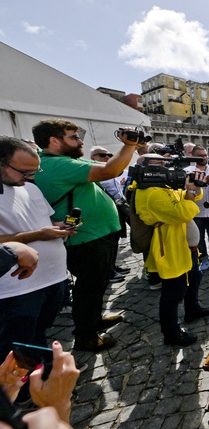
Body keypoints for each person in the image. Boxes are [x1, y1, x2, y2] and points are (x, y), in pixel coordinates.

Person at [32, 120, 137, 352]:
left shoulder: (62, 162)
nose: (80, 141)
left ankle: (94, 320)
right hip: (88, 239)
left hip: (95, 236)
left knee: (95, 285)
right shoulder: (58, 165)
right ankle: (86, 337)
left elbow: (111, 165)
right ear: (54, 140)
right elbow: (110, 170)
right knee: (88, 288)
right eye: (74, 136)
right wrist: (130, 145)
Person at [0, 137, 74, 367]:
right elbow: (33, 232)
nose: (30, 177)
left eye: (34, 171)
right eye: (24, 171)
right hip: (17, 289)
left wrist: (57, 227)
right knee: (15, 346)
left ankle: (42, 376)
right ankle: (21, 395)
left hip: (53, 278)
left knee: (38, 333)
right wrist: (36, 235)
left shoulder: (29, 186)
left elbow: (42, 220)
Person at [134, 160, 209, 346]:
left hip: (184, 245)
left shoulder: (164, 187)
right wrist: (191, 193)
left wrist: (195, 187)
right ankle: (171, 333)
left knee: (194, 277)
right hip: (169, 247)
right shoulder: (151, 193)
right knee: (173, 292)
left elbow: (187, 196)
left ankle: (192, 309)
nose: (164, 168)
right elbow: (182, 213)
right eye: (158, 164)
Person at [89, 146, 129, 283]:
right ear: (93, 157)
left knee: (114, 241)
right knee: (106, 245)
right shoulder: (94, 171)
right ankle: (108, 272)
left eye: (109, 155)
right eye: (102, 155)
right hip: (101, 214)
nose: (107, 157)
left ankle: (112, 267)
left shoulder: (110, 171)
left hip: (117, 209)